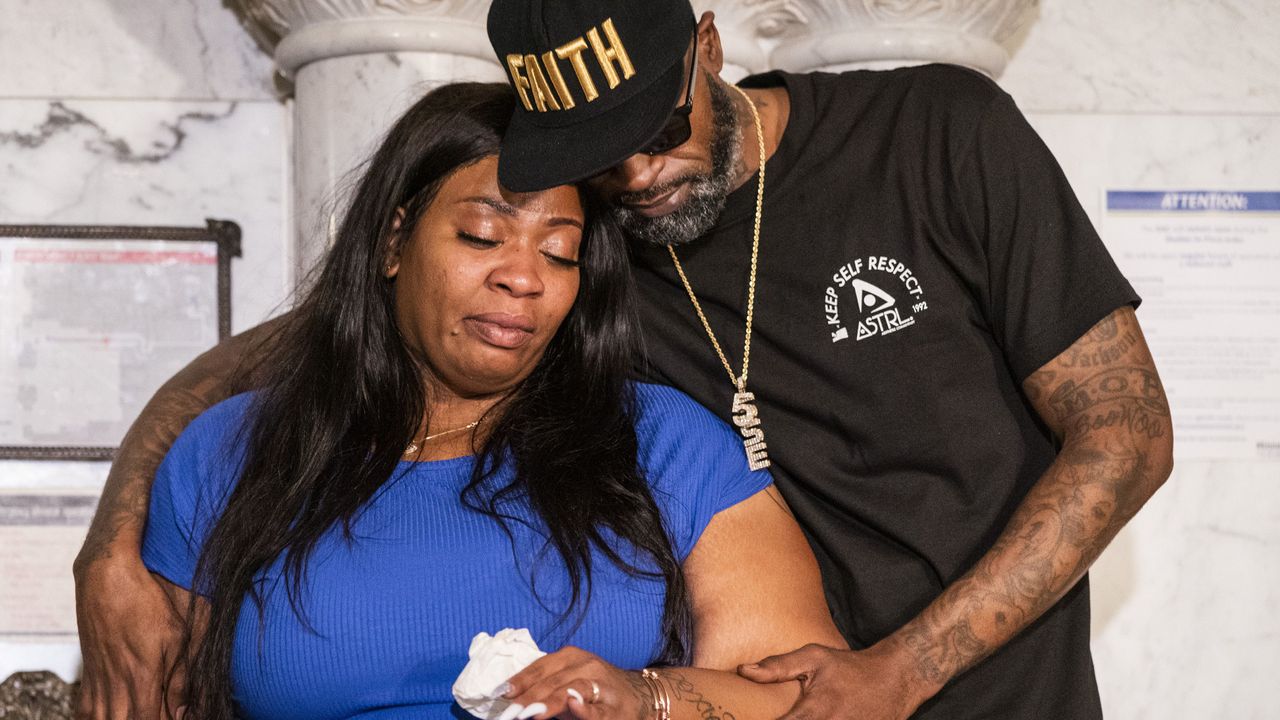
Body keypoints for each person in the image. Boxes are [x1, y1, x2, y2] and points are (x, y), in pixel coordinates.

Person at [74, 2, 1175, 720]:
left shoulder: (938, 135)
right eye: (600, 155)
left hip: (989, 697)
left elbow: (1124, 437)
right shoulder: (589, 254)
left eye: (659, 123)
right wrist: (113, 543)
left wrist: (903, 670)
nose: (643, 174)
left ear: (705, 46)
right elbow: (276, 358)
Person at [83, 82, 846, 719]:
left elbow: (804, 695)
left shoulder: (664, 444)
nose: (524, 277)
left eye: (559, 252)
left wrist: (645, 699)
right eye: (483, 237)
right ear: (392, 242)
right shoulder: (230, 453)